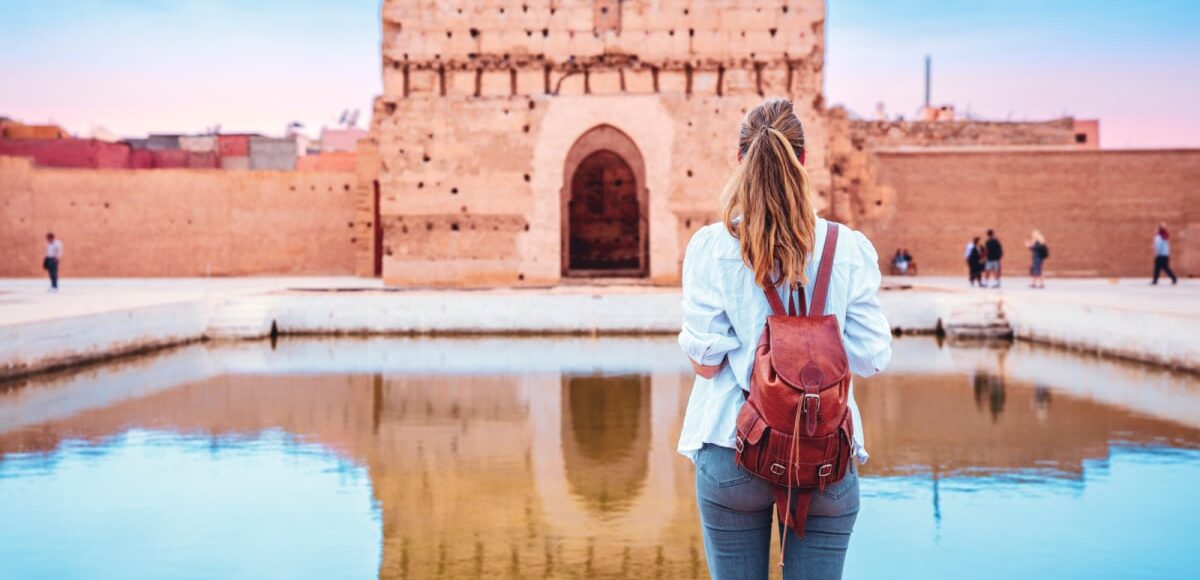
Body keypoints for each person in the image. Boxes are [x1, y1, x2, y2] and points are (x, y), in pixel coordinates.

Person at [678, 98, 892, 579]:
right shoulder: (847, 248)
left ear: (740, 161)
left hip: (732, 446)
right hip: (825, 455)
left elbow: (707, 363)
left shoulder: (712, 248)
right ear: (803, 161)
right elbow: (872, 357)